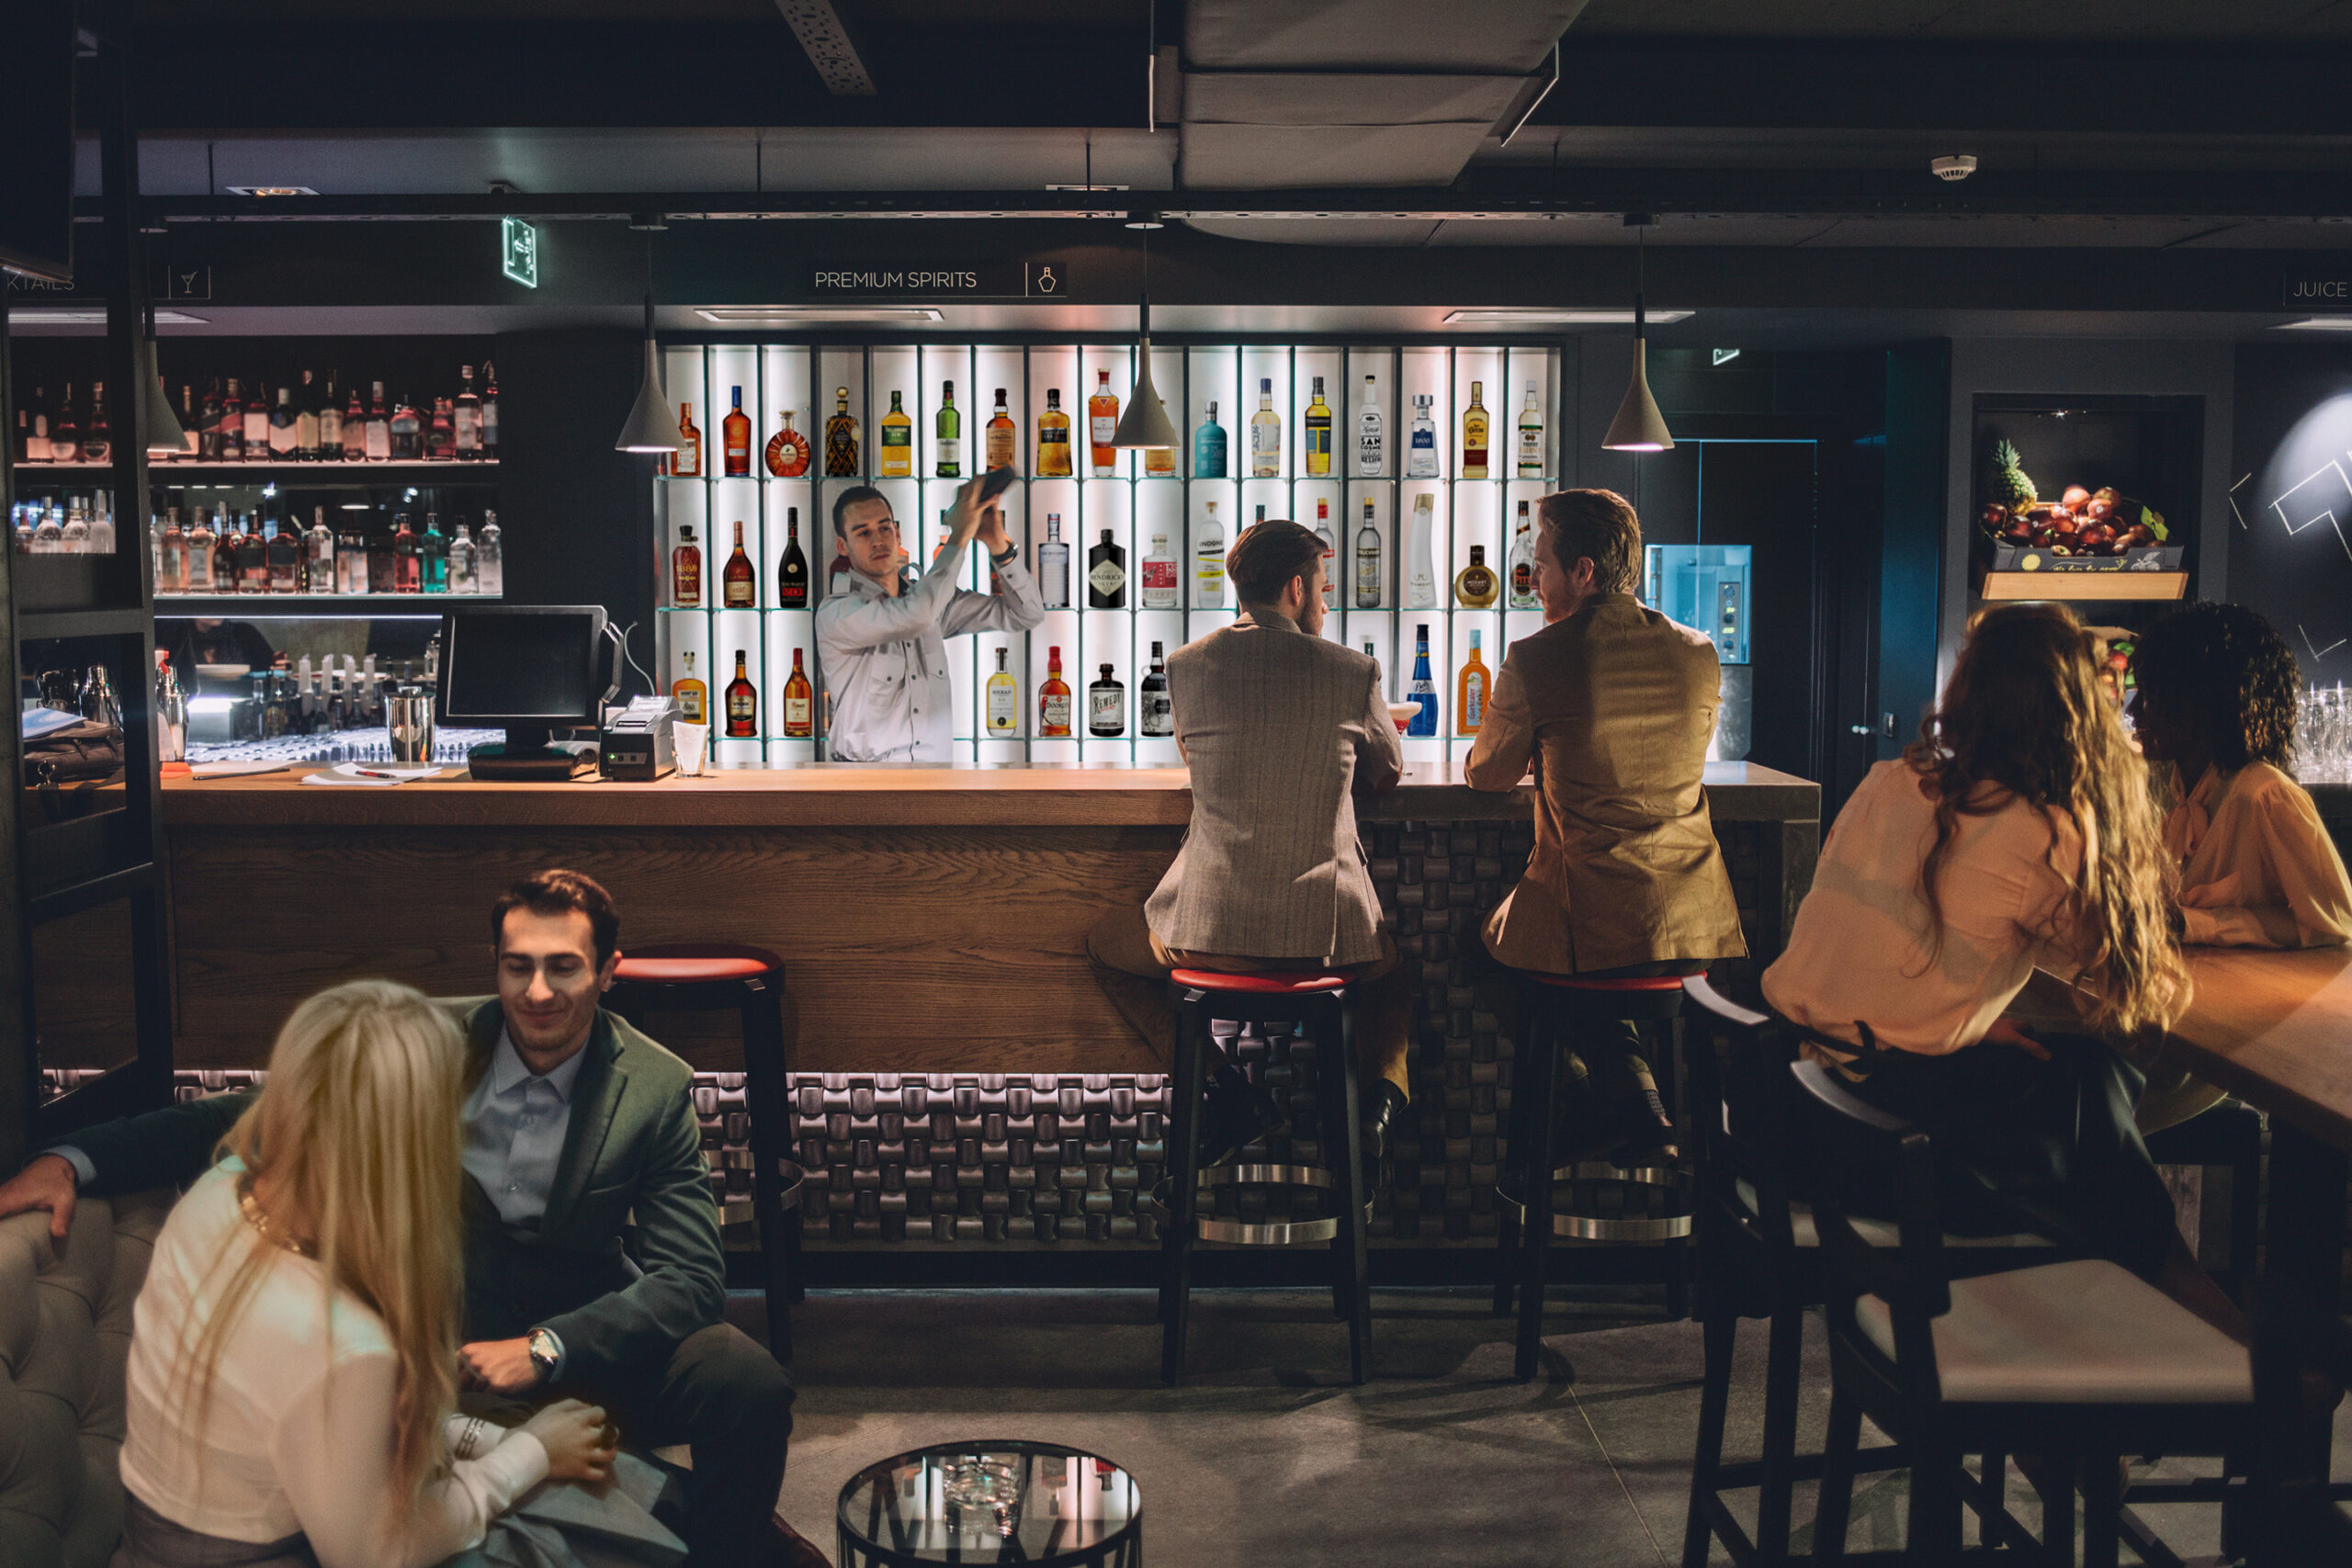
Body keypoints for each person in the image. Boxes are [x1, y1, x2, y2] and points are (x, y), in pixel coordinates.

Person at [0, 871, 823, 1568]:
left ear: (608, 971)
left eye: (563, 968)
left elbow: (689, 1277)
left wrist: (549, 1347)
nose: (538, 992)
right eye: (518, 967)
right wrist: (75, 1157)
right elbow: (261, 1111)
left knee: (744, 1382)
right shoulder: (418, 1049)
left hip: (582, 1335)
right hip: (435, 1344)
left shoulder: (652, 1084)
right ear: (495, 968)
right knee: (570, 1525)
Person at [1759, 603, 2238, 1335]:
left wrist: (1962, 1028)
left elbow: (1876, 963)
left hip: (1802, 1116)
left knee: (2079, 1111)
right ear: (2079, 712)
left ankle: (2071, 1406)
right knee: (2092, 1099)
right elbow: (2144, 994)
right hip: (1889, 1151)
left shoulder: (1889, 781)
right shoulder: (2044, 832)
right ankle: (2197, 1343)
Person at [111, 978, 621, 1568]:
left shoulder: (218, 1190)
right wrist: (531, 1452)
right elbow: (379, 1553)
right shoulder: (341, 1344)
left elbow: (297, 1424)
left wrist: (482, 1439)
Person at [1086, 518, 1414, 1177]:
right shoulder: (1353, 671)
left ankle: (1226, 1092)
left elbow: (1196, 755)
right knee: (1391, 975)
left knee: (1105, 947)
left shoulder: (1186, 666)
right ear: (1297, 587)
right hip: (1324, 935)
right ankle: (1373, 1111)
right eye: (1322, 588)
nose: (1325, 602)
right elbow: (1388, 771)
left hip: (1206, 931)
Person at [1464, 489, 1747, 1165]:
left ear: (1583, 571)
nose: (1532, 580)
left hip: (1590, 922)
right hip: (1696, 928)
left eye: (1540, 565)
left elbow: (1486, 774)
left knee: (1484, 956)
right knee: (1603, 982)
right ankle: (1641, 1103)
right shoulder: (1699, 652)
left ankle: (1598, 1097)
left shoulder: (1538, 658)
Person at [2126, 601, 2352, 1132]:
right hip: (2172, 1013)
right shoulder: (2166, 785)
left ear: (2200, 705)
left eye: (2150, 695)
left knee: (2078, 1087)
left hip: (2221, 1044)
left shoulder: (2264, 795)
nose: (2135, 712)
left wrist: (2194, 923)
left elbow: (2334, 927)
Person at [815, 476, 1044, 762]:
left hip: (935, 784)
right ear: (842, 546)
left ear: (897, 533)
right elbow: (915, 616)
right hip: (866, 787)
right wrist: (959, 536)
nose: (878, 541)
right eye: (863, 533)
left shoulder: (932, 605)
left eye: (885, 528)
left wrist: (998, 545)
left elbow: (1027, 612)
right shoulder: (837, 613)